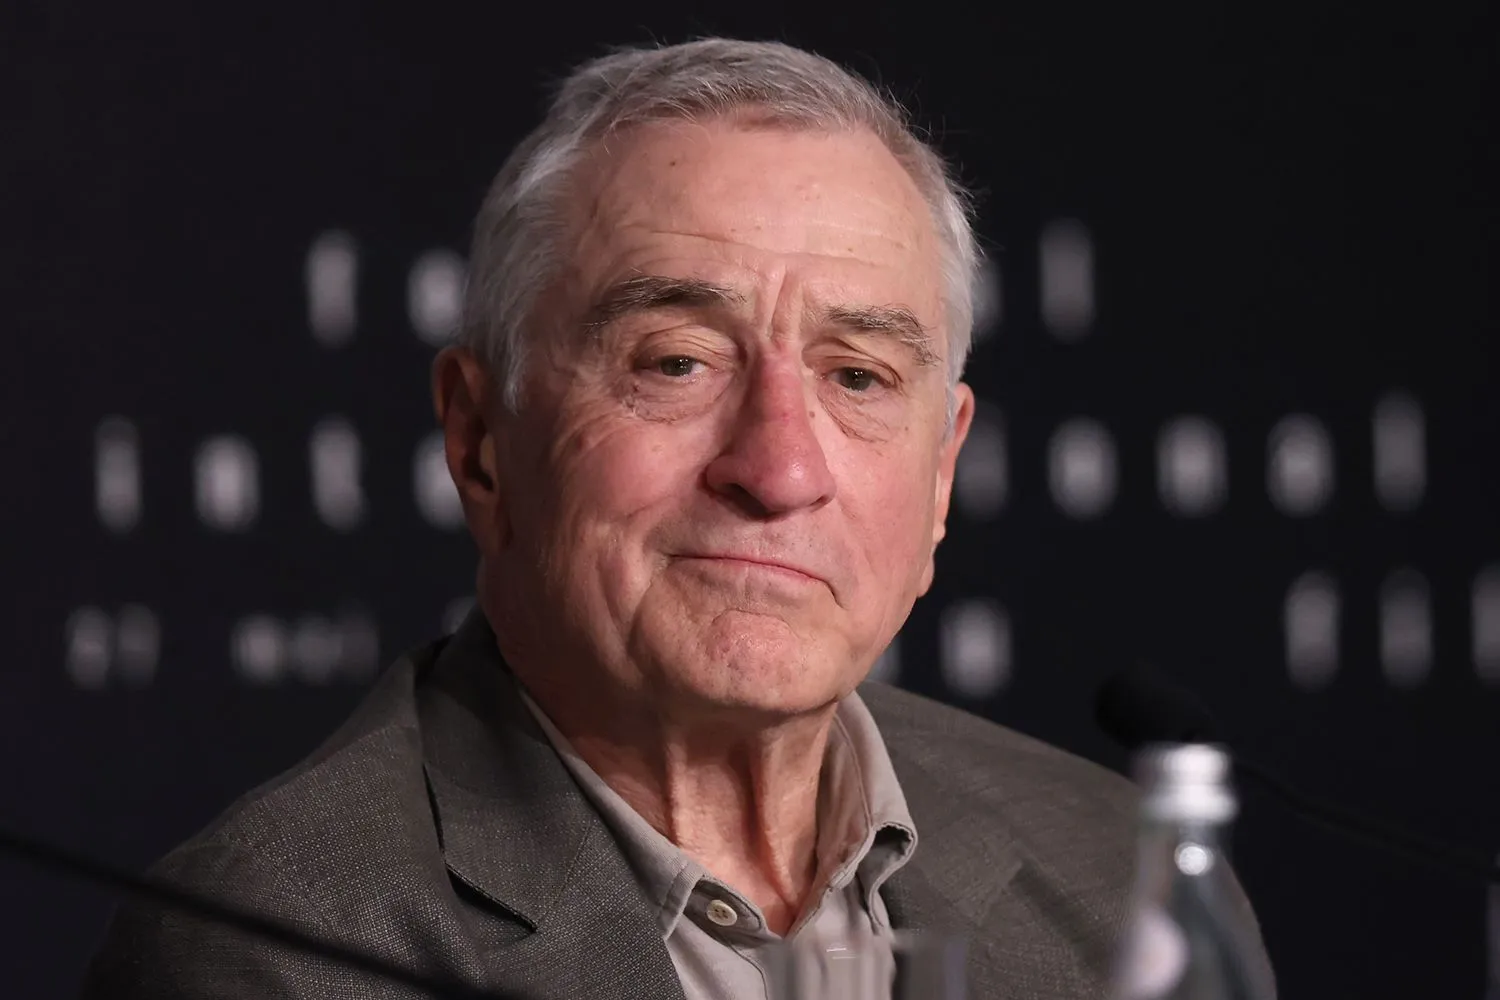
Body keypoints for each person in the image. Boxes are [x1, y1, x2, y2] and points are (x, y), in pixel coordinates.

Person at [80, 37, 1274, 999]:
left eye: (858, 377)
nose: (779, 468)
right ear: (481, 442)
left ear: (943, 475)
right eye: (677, 361)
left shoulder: (1119, 875)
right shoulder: (276, 945)